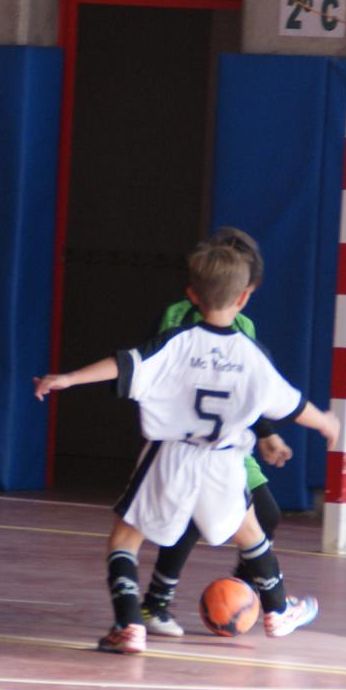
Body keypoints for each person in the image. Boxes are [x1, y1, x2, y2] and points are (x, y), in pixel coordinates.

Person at [34, 241, 340, 654]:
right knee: (251, 533)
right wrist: (326, 423)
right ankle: (278, 610)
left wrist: (68, 378)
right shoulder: (252, 354)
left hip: (171, 455)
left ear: (192, 294)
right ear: (244, 297)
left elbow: (124, 364)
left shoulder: (176, 342)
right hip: (223, 462)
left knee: (125, 538)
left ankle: (129, 624)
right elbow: (293, 404)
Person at [139, 227, 292, 638]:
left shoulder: (244, 327)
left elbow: (250, 390)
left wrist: (266, 433)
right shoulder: (176, 321)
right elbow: (148, 372)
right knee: (187, 519)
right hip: (184, 443)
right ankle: (156, 603)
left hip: (229, 445)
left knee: (267, 515)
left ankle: (242, 593)